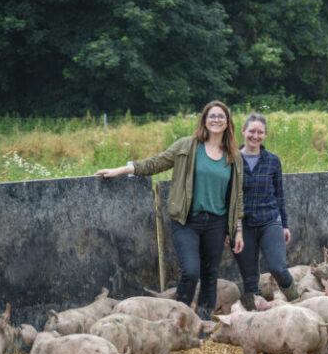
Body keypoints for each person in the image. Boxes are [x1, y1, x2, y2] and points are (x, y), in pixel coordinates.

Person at [95, 101, 244, 321]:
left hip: (216, 223)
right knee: (191, 272)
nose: (216, 120)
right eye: (211, 116)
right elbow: (156, 163)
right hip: (187, 220)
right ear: (204, 120)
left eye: (221, 117)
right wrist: (122, 169)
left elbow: (237, 196)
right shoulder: (187, 146)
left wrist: (237, 229)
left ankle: (201, 323)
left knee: (210, 276)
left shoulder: (233, 157)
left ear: (227, 122)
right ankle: (179, 321)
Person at [233, 112, 299, 310]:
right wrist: (230, 229)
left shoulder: (272, 161)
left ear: (265, 135)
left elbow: (279, 195)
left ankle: (295, 300)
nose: (255, 136)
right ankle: (254, 316)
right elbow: (228, 198)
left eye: (260, 132)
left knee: (277, 267)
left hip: (269, 220)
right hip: (243, 224)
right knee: (250, 277)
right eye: (252, 131)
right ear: (243, 131)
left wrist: (284, 224)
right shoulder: (231, 160)